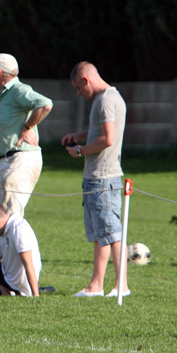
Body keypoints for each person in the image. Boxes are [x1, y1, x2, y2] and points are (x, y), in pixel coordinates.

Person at [61, 61, 129, 298]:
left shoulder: (105, 100)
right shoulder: (109, 97)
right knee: (107, 233)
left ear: (85, 80)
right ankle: (111, 285)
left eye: (78, 88)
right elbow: (102, 131)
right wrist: (79, 135)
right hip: (99, 177)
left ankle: (103, 286)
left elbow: (108, 139)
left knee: (108, 233)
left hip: (103, 177)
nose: (79, 93)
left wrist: (80, 151)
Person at [0, 53, 53, 217]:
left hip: (20, 159)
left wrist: (27, 128)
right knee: (8, 214)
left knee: (10, 216)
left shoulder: (18, 90)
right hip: (11, 160)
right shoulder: (6, 93)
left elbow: (45, 104)